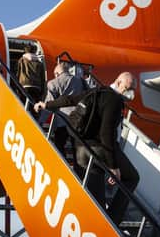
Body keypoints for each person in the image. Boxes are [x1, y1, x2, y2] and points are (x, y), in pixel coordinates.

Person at [34, 72, 139, 226]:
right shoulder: (114, 100)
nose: (131, 93)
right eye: (129, 88)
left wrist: (47, 105)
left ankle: (105, 225)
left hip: (81, 150)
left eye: (133, 90)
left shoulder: (96, 91)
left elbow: (71, 99)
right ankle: (114, 221)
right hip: (99, 150)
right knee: (132, 177)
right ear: (118, 82)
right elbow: (106, 133)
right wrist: (113, 166)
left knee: (98, 204)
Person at [44, 62, 86, 156]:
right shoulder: (80, 81)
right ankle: (77, 169)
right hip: (78, 120)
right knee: (76, 149)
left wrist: (40, 121)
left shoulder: (53, 83)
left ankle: (61, 165)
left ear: (57, 73)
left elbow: (49, 105)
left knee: (59, 146)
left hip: (62, 120)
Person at [17, 43, 46, 107]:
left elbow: (18, 73)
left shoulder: (21, 60)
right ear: (34, 51)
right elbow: (43, 78)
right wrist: (42, 91)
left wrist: (17, 87)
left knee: (23, 106)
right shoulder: (39, 63)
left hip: (24, 85)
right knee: (34, 107)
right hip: (37, 87)